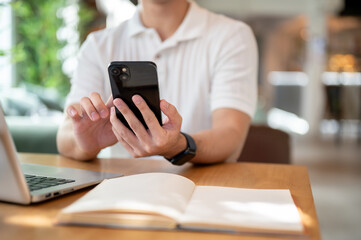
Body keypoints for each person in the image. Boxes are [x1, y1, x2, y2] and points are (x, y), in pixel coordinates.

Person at [56, 0, 258, 165]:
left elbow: (230, 134)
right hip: (122, 190)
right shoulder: (98, 45)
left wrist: (179, 145)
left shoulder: (232, 36)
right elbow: (65, 137)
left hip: (204, 186)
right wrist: (85, 143)